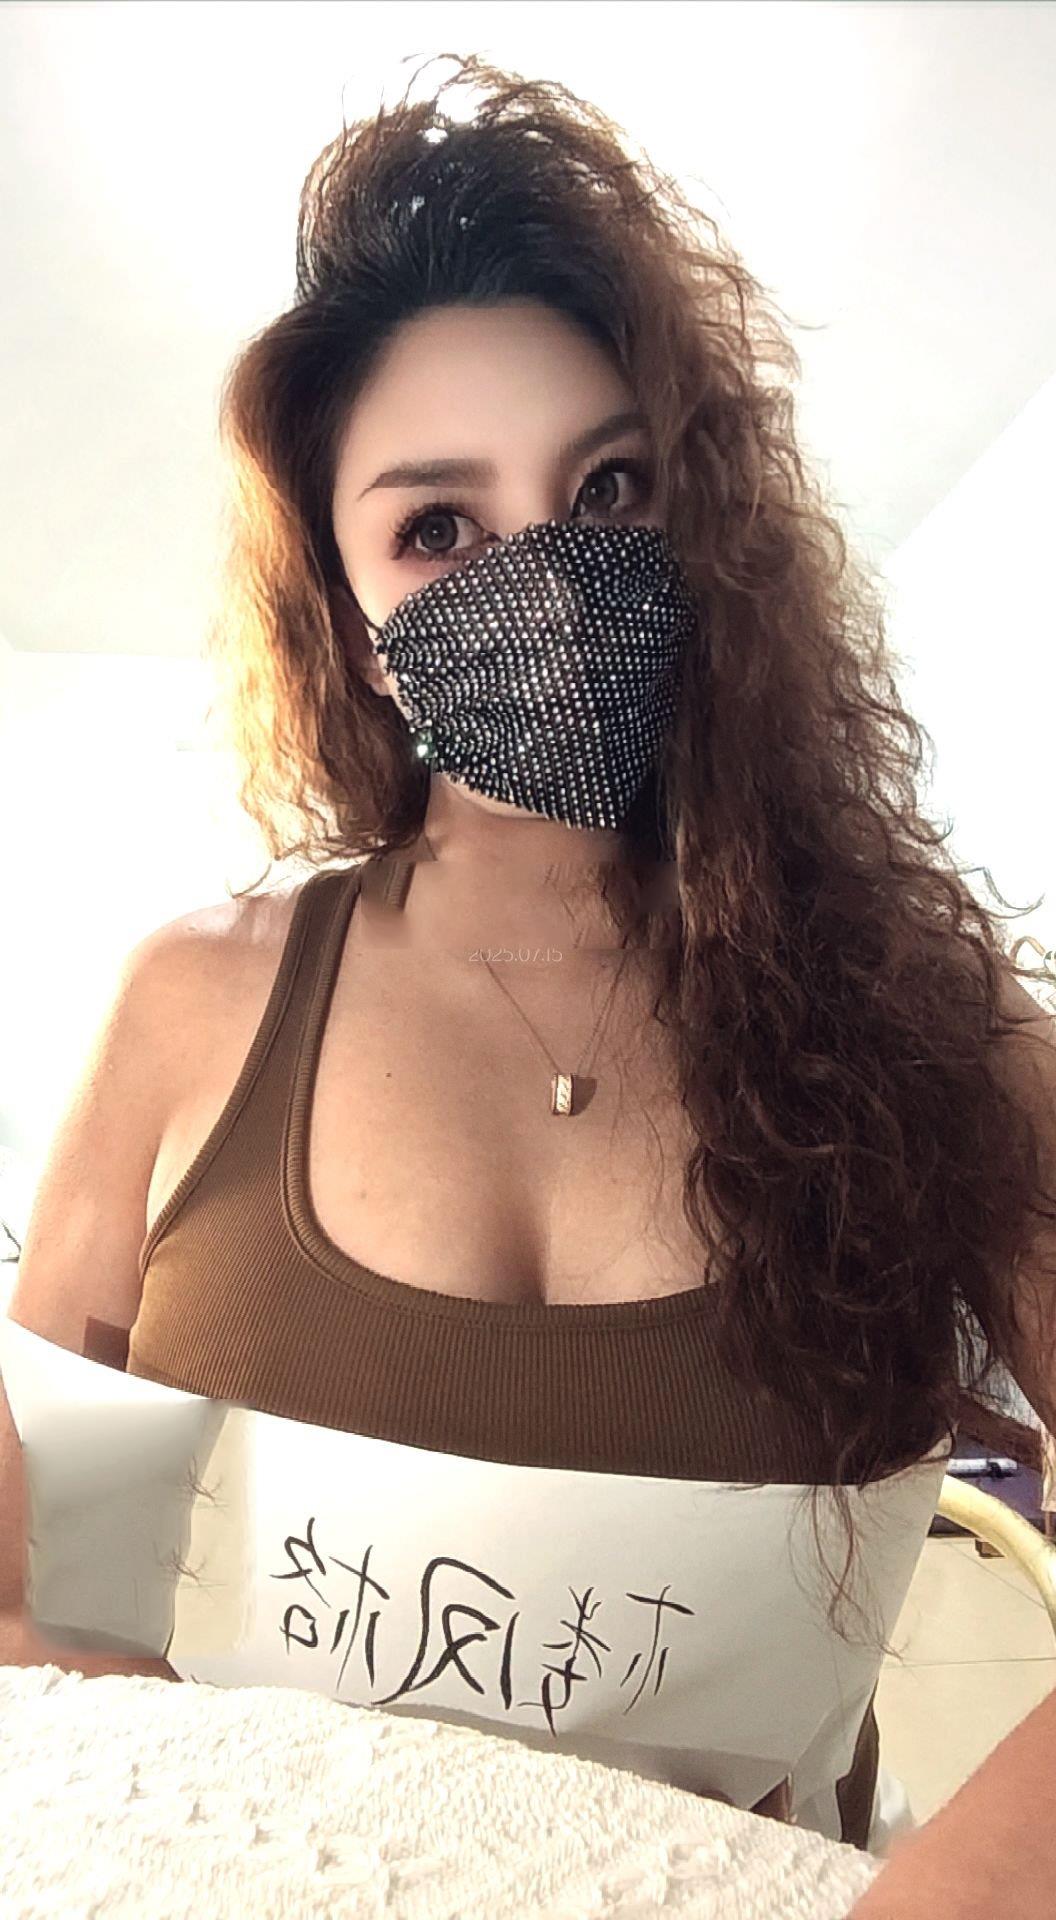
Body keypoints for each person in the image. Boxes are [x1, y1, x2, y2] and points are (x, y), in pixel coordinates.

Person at [4, 51, 1054, 1877]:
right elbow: (30, 1517)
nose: (550, 583)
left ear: (708, 523)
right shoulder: (192, 1000)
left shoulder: (938, 1033)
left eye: (611, 487)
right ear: (352, 620)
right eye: (440, 528)